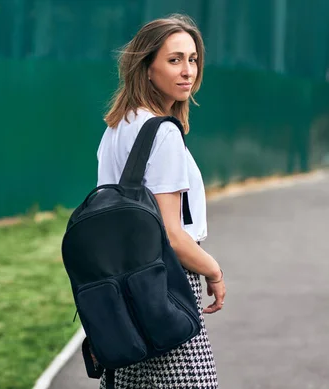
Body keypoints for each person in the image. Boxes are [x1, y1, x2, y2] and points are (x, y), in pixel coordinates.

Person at [95, 14, 226, 389]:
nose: (188, 71)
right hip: (165, 279)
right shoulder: (163, 133)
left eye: (193, 59)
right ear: (147, 68)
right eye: (174, 60)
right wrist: (213, 271)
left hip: (121, 280)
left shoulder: (116, 126)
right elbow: (170, 233)